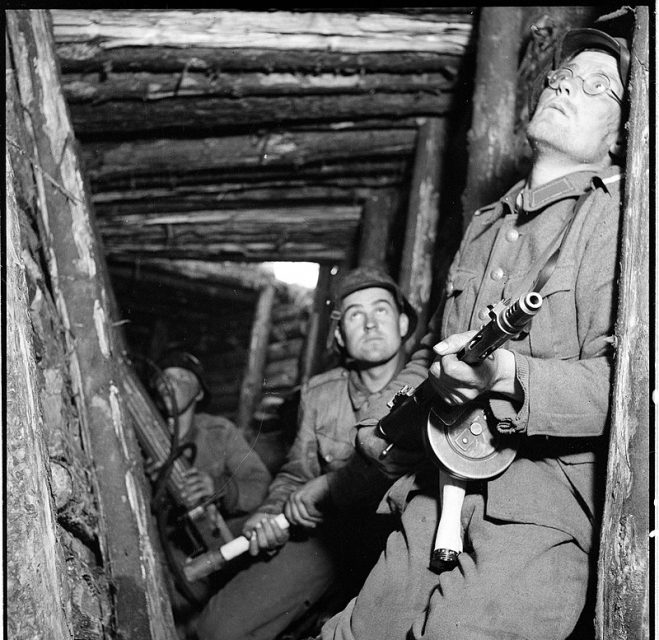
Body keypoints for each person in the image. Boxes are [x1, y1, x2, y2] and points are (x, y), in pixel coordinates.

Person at [320, 27, 629, 640]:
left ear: (623, 136)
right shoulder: (488, 225)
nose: (567, 84)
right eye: (562, 77)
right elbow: (432, 348)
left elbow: (625, 396)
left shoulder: (618, 225)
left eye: (600, 87)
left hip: (535, 514)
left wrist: (504, 375)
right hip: (433, 493)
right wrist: (382, 423)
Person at [195, 267, 419, 640]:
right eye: (354, 315)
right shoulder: (319, 394)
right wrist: (269, 514)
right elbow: (295, 473)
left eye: (380, 310)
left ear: (402, 323)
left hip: (401, 542)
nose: (369, 324)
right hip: (328, 539)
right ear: (340, 336)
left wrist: (332, 485)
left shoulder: (430, 390)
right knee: (218, 629)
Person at [153, 351, 272, 537]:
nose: (170, 383)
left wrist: (218, 488)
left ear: (199, 393)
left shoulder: (220, 432)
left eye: (182, 377)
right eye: (164, 377)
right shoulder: (141, 433)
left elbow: (259, 485)